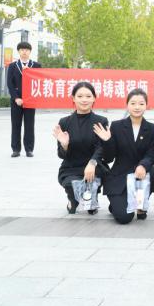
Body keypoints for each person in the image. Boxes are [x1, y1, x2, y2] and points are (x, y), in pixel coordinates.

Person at [93, 89, 154, 224]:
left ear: (146, 106)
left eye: (141, 104)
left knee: (152, 172)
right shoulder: (116, 126)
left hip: (141, 174)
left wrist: (143, 165)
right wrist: (107, 141)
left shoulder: (153, 128)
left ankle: (141, 205)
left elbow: (152, 155)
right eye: (133, 103)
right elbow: (109, 158)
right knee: (124, 218)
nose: (137, 107)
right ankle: (116, 205)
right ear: (127, 105)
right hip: (120, 175)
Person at [52, 82, 109, 215]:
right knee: (72, 187)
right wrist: (64, 145)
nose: (84, 100)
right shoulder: (64, 122)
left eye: (88, 96)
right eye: (80, 96)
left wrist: (92, 163)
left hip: (94, 167)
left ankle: (91, 196)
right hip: (71, 168)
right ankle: (73, 200)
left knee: (90, 206)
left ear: (94, 98)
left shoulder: (101, 121)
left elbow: (100, 148)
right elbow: (61, 155)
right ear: (73, 98)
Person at [7, 41, 42, 157]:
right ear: (18, 51)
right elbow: (10, 84)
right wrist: (16, 98)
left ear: (30, 51)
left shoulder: (36, 65)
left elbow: (39, 82)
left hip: (30, 100)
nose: (24, 52)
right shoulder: (12, 66)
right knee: (16, 125)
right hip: (16, 101)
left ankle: (29, 149)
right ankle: (16, 149)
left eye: (26, 50)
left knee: (29, 125)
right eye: (22, 50)